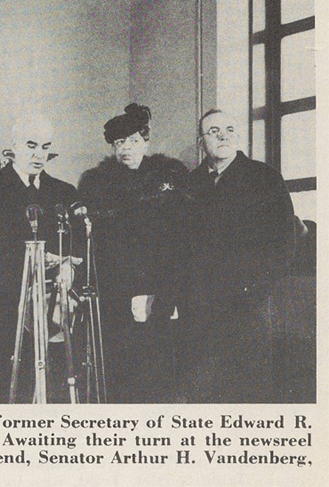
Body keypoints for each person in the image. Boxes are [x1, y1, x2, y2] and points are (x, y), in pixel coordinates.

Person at [77, 103, 190, 403]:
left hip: (161, 290)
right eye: (119, 143)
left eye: (134, 141)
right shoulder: (96, 184)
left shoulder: (171, 178)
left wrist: (166, 294)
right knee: (120, 372)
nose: (126, 149)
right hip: (115, 292)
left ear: (146, 143)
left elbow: (181, 241)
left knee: (159, 372)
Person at [0, 116, 80, 403]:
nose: (38, 154)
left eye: (45, 147)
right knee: (0, 392)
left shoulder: (64, 193)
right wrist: (39, 260)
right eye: (30, 145)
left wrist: (67, 264)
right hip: (4, 308)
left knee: (51, 391)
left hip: (53, 313)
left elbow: (76, 247)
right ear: (13, 146)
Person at [185, 108, 295, 402]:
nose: (223, 136)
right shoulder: (190, 185)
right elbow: (180, 247)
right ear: (200, 143)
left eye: (230, 129)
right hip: (201, 310)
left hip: (248, 307)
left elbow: (285, 241)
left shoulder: (264, 178)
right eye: (214, 131)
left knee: (248, 392)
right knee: (204, 394)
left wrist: (256, 287)